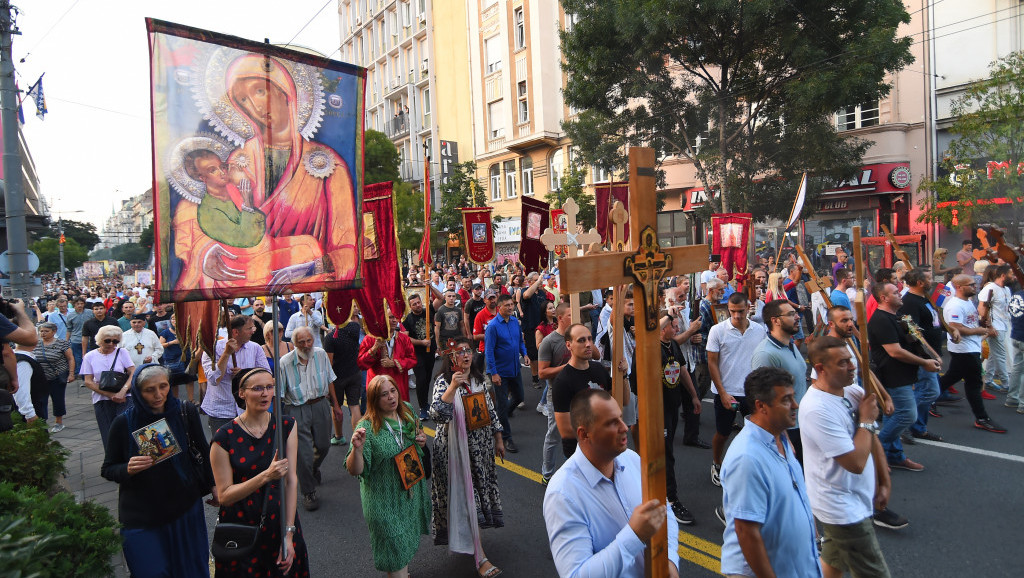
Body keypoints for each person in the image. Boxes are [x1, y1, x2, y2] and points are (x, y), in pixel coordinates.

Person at [543, 389, 681, 578]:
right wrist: (634, 535)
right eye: (611, 423)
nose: (624, 427)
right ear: (584, 434)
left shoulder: (631, 459)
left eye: (621, 418)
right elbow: (576, 574)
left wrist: (670, 561)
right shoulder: (563, 494)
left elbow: (664, 511)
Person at [101, 364, 215, 578]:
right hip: (142, 515)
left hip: (184, 509)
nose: (158, 394)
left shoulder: (184, 412)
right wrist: (127, 468)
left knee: (191, 570)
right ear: (137, 391)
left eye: (163, 386)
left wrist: (214, 485)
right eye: (149, 389)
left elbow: (203, 450)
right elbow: (108, 469)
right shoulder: (123, 423)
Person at [802, 336, 896, 574]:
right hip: (841, 507)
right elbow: (854, 463)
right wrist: (865, 419)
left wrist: (884, 480)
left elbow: (871, 436)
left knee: (833, 563)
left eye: (851, 360)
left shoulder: (852, 391)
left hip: (856, 497)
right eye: (843, 363)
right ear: (821, 369)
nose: (853, 366)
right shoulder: (816, 409)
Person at [719, 367, 820, 578]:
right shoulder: (747, 458)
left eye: (793, 397)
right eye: (786, 400)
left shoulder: (780, 438)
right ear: (761, 406)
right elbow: (747, 532)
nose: (795, 405)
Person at [210, 368, 309, 577]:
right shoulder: (223, 438)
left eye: (269, 387)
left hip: (280, 524)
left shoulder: (285, 425)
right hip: (242, 527)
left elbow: (291, 481)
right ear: (242, 393)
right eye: (257, 388)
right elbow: (225, 495)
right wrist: (266, 476)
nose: (265, 393)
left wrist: (289, 535)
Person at [429, 338, 505, 577]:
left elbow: (490, 411)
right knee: (465, 497)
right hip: (454, 452)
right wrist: (452, 387)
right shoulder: (443, 382)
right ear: (451, 358)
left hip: (479, 450)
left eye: (468, 351)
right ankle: (480, 557)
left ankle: (472, 540)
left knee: (474, 497)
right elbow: (437, 415)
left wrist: (498, 437)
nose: (466, 355)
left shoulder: (480, 380)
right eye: (460, 352)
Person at [346, 375, 431, 578]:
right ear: (374, 400)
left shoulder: (408, 411)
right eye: (384, 394)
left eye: (393, 391)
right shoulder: (366, 428)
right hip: (383, 502)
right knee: (394, 550)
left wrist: (421, 441)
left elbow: (418, 437)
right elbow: (355, 470)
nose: (391, 397)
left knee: (403, 546)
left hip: (408, 493)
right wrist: (357, 451)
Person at [630, 315, 700, 526]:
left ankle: (652, 490)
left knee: (666, 450)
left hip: (671, 406)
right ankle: (670, 498)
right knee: (664, 453)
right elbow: (645, 337)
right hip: (656, 410)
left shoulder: (673, 346)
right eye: (673, 326)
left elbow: (682, 369)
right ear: (661, 329)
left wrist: (694, 395)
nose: (678, 329)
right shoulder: (649, 347)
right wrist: (665, 314)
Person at [867, 282, 940, 470]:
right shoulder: (881, 319)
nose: (901, 294)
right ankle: (875, 450)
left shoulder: (897, 316)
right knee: (907, 414)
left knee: (895, 416)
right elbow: (895, 351)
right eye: (896, 292)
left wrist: (931, 356)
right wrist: (924, 363)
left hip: (905, 374)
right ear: (884, 298)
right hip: (893, 375)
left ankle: (895, 456)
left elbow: (915, 340)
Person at [706, 289, 767, 486]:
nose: (736, 315)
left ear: (748, 308)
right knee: (723, 433)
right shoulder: (717, 330)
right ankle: (716, 463)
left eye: (740, 311)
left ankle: (752, 467)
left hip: (752, 393)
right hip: (727, 392)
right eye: (732, 311)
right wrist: (722, 392)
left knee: (756, 433)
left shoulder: (759, 330)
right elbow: (712, 363)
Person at [278, 326, 336, 512]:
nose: (306, 345)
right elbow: (279, 393)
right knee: (303, 454)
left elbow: (330, 380)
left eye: (308, 340)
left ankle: (311, 470)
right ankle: (308, 492)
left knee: (324, 445)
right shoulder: (285, 362)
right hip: (296, 408)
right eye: (301, 342)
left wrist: (336, 405)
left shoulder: (320, 355)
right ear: (294, 344)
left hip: (320, 405)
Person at [941, 275, 1007, 433]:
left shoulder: (967, 301)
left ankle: (927, 397)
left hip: (971, 348)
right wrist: (980, 330)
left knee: (952, 377)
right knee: (974, 383)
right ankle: (982, 417)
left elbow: (970, 321)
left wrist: (983, 323)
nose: (974, 286)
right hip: (965, 350)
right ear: (959, 287)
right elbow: (956, 327)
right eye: (970, 285)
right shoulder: (955, 305)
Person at [751, 297, 808, 459]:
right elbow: (764, 401)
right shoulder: (765, 354)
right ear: (775, 321)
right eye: (791, 314)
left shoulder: (790, 344)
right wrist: (783, 438)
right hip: (787, 430)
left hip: (801, 424)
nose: (797, 317)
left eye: (796, 313)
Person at [898, 268, 947, 442]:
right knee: (930, 391)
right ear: (920, 283)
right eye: (929, 278)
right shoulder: (910, 302)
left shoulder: (925, 298)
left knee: (927, 391)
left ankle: (918, 428)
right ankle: (903, 424)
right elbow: (915, 334)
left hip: (930, 354)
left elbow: (933, 320)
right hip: (923, 356)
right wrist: (930, 355)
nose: (932, 281)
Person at [201, 315, 270, 436]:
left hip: (247, 409)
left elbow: (266, 375)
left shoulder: (255, 348)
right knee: (223, 448)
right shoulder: (212, 348)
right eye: (249, 328)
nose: (253, 331)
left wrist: (244, 374)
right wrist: (226, 354)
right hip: (221, 411)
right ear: (235, 332)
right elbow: (213, 379)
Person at [552, 324, 612, 458]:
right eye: (581, 340)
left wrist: (623, 375)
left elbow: (621, 401)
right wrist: (602, 427)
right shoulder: (562, 381)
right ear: (569, 345)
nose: (588, 344)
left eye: (590, 339)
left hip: (605, 446)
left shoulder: (599, 369)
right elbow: (566, 430)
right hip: (580, 454)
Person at [484, 294, 530, 454]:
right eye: (507, 305)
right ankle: (506, 436)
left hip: (515, 369)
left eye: (512, 305)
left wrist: (524, 354)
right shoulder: (493, 326)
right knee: (502, 404)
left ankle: (500, 416)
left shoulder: (514, 323)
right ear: (499, 307)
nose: (511, 308)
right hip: (500, 373)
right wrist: (494, 373)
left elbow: (519, 342)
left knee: (519, 397)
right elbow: (488, 351)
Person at [82, 326, 136, 449]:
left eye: (115, 341)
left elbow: (133, 371)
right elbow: (88, 382)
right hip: (102, 399)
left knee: (127, 428)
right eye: (107, 340)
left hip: (125, 397)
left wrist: (123, 391)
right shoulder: (90, 356)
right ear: (100, 340)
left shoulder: (122, 352)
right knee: (108, 432)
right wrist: (111, 395)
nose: (112, 344)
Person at [537, 302, 574, 483]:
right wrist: (567, 367)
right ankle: (547, 474)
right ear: (560, 318)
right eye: (570, 315)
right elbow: (542, 373)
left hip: (578, 394)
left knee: (578, 434)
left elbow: (596, 356)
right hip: (556, 393)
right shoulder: (549, 341)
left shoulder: (578, 337)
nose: (574, 318)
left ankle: (574, 473)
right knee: (554, 435)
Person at [358, 312, 418, 402]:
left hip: (399, 384)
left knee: (400, 413)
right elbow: (361, 364)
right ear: (382, 319)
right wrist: (374, 348)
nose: (394, 320)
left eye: (395, 317)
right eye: (390, 317)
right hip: (378, 387)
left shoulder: (404, 338)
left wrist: (395, 363)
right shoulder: (370, 339)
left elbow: (412, 359)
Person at [324, 316, 363, 444]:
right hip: (354, 372)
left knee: (336, 406)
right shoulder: (355, 328)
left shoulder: (330, 338)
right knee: (354, 405)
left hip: (337, 378)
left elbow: (329, 364)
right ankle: (358, 438)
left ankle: (339, 436)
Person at [34, 322, 75, 433]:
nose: (43, 333)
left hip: (57, 377)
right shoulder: (36, 343)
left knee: (58, 399)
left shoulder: (62, 344)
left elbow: (70, 358)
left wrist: (71, 373)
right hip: (40, 379)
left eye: (46, 331)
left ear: (54, 332)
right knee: (41, 401)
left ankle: (58, 422)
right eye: (41, 331)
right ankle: (43, 422)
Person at [978, 264, 1011, 393]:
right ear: (1003, 275)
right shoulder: (990, 288)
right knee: (1001, 355)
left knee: (993, 354)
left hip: (1004, 325)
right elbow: (981, 309)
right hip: (995, 326)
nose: (1013, 276)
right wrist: (990, 326)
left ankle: (989, 380)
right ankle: (1007, 384)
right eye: (1011, 274)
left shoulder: (1006, 289)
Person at [401, 294, 434, 421]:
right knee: (421, 379)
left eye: (418, 302)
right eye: (414, 304)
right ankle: (422, 408)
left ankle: (426, 403)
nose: (417, 305)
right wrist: (421, 342)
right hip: (417, 354)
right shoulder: (408, 319)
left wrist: (430, 287)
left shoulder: (428, 312)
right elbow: (405, 337)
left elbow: (441, 300)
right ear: (410, 306)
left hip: (431, 351)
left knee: (427, 379)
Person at [67, 297, 89, 379]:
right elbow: (69, 329)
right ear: (74, 305)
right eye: (77, 304)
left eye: (81, 303)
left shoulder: (89, 312)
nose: (80, 305)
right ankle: (83, 376)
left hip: (88, 339)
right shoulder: (70, 316)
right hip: (76, 340)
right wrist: (66, 341)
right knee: (78, 358)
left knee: (89, 357)